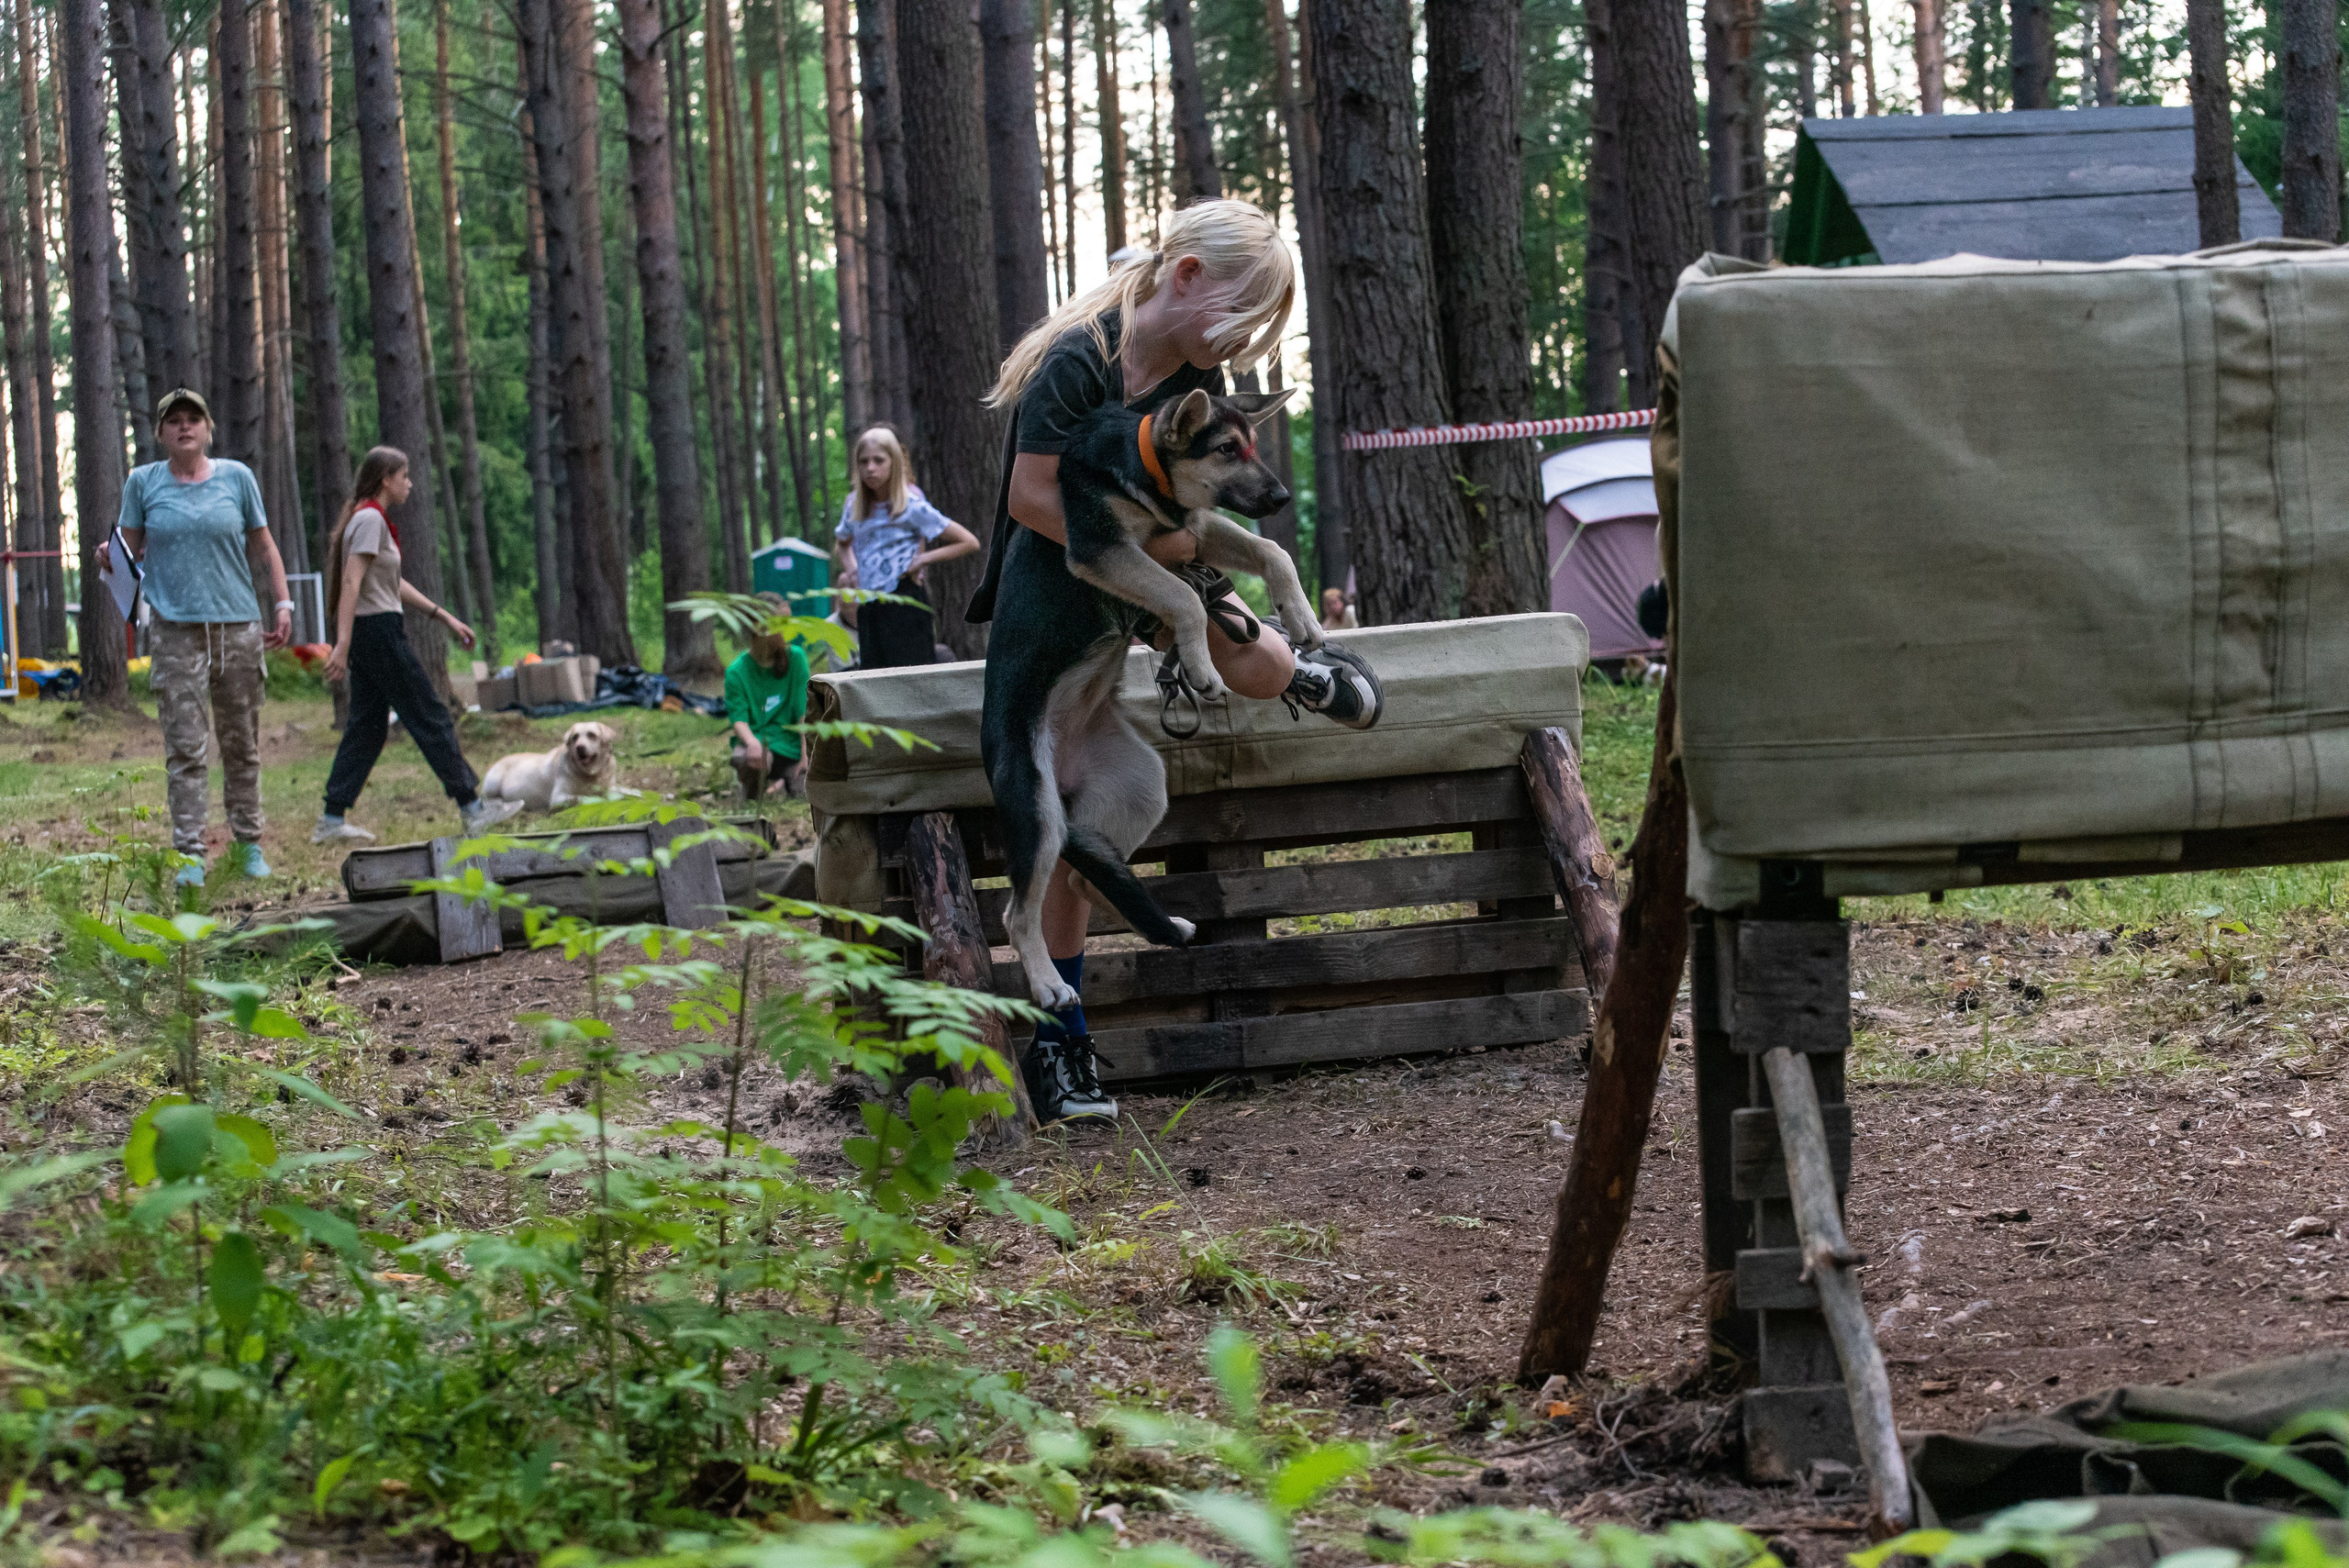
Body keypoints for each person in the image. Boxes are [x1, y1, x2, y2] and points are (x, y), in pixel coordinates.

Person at [969, 198, 1386, 1121]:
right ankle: (1061, 1045)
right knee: (1068, 843)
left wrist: (1210, 564)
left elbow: (1200, 508)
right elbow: (1036, 500)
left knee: (1256, 660)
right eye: (1242, 320)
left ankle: (1310, 672)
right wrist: (1181, 564)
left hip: (1136, 591)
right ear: (1186, 276)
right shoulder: (1084, 358)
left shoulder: (1195, 381)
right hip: (1068, 592)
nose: (1244, 343)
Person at [119, 388, 295, 888]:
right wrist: (106, 556)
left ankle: (249, 845)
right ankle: (189, 854)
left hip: (238, 628)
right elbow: (125, 550)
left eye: (193, 419)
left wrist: (282, 604)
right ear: (160, 433)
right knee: (185, 748)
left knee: (241, 742)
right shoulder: (143, 483)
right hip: (176, 633)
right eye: (173, 421)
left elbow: (265, 547)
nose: (184, 427)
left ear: (208, 427)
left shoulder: (237, 478)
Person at [312, 447, 523, 845]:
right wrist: (341, 646)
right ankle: (473, 809)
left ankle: (331, 819)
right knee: (429, 714)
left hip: (374, 629)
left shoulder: (370, 520)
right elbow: (351, 585)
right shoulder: (370, 518)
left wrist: (442, 616)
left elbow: (390, 583)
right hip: (376, 632)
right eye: (404, 475)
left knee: (368, 727)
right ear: (386, 479)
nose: (409, 483)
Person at [830, 427, 982, 669]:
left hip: (905, 601)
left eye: (879, 460)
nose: (870, 468)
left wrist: (921, 560)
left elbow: (968, 542)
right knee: (874, 681)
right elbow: (842, 542)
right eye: (864, 461)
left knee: (911, 681)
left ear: (894, 462)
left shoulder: (911, 505)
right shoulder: (854, 507)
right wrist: (853, 571)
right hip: (868, 606)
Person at [725, 593, 811, 799]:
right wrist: (752, 743)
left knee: (806, 792)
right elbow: (739, 719)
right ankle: (753, 788)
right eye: (782, 624)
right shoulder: (737, 671)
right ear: (759, 627)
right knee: (746, 759)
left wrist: (806, 754)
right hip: (759, 745)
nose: (789, 632)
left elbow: (804, 711)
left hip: (790, 748)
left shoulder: (796, 659)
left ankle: (784, 782)